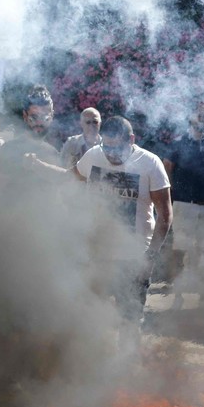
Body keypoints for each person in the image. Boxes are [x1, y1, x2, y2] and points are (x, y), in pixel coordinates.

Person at [75, 116, 172, 352]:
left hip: (133, 257)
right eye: (105, 146)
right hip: (96, 252)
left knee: (129, 320)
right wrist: (38, 167)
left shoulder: (150, 163)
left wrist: (150, 255)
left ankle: (126, 373)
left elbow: (165, 215)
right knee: (88, 314)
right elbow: (71, 177)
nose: (110, 153)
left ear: (131, 139)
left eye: (116, 147)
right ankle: (88, 368)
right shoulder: (93, 156)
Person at [163, 105, 204, 306]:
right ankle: (177, 296)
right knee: (180, 249)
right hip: (183, 203)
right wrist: (172, 196)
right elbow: (167, 168)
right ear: (191, 117)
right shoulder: (178, 143)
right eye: (200, 115)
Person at [0, 84, 62, 207]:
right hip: (12, 222)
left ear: (52, 116)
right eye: (34, 117)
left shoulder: (53, 152)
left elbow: (56, 195)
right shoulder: (8, 149)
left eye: (45, 117)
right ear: (25, 116)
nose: (39, 122)